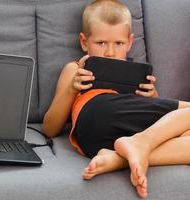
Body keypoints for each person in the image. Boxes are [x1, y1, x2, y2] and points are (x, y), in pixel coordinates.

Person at [42, 0, 190, 198]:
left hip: (98, 145)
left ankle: (118, 158)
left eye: (118, 43)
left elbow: (158, 122)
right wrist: (71, 89)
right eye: (101, 43)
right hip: (94, 113)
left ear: (129, 42)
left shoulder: (135, 76)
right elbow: (50, 129)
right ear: (84, 42)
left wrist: (152, 97)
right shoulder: (76, 69)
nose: (110, 52)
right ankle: (140, 144)